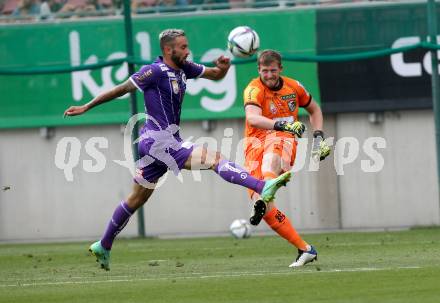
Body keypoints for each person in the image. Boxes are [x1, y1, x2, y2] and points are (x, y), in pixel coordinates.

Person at [64, 29, 291, 271]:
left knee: (137, 198)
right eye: (183, 47)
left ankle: (104, 244)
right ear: (168, 50)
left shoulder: (184, 68)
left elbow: (215, 75)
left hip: (155, 144)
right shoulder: (153, 71)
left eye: (187, 46)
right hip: (159, 141)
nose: (187, 51)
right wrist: (87, 106)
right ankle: (261, 186)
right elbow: (120, 89)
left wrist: (223, 67)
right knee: (214, 158)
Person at [243, 49, 330, 267]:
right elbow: (252, 119)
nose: (269, 75)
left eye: (273, 70)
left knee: (272, 157)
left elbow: (314, 109)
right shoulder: (254, 89)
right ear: (258, 70)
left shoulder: (294, 87)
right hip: (254, 145)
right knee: (263, 207)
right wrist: (281, 122)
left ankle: (269, 183)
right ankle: (305, 249)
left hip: (283, 139)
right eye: (265, 71)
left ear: (280, 69)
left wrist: (318, 136)